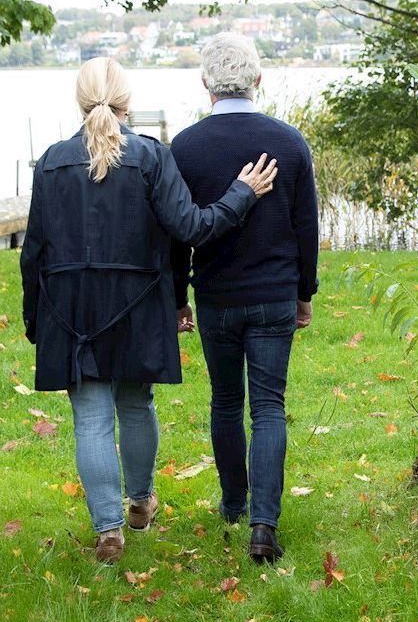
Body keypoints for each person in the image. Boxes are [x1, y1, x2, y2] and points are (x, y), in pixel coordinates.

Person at [22, 58, 279, 564]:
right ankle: (140, 503)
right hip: (137, 303)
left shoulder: (51, 162)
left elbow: (34, 252)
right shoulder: (150, 156)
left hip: (70, 308)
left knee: (91, 418)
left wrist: (36, 320)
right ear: (127, 101)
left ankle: (108, 532)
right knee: (136, 403)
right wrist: (242, 194)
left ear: (80, 101)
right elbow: (193, 228)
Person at [170, 33, 319, 565]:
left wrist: (177, 297)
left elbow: (175, 233)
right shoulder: (289, 143)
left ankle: (234, 503)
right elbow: (306, 228)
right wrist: (304, 292)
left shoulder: (185, 147)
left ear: (205, 84)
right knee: (269, 406)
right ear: (258, 79)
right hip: (274, 293)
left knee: (227, 401)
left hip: (217, 295)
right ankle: (263, 524)